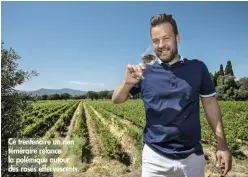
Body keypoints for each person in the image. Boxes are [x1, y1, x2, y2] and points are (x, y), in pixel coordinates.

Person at [111, 13, 232, 177]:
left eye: (166, 38)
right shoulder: (145, 72)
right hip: (154, 158)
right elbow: (116, 99)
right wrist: (126, 84)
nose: (161, 45)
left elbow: (210, 104)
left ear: (177, 37)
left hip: (193, 157)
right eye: (155, 41)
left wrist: (222, 145)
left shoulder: (198, 68)